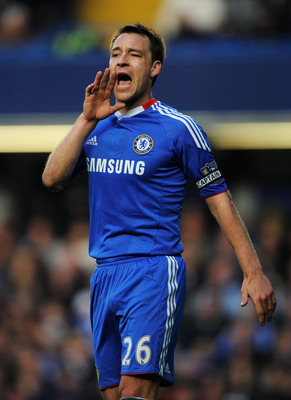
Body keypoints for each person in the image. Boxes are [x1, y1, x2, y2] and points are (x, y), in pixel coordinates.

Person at [42, 23, 276, 400]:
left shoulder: (177, 128)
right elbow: (52, 178)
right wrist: (86, 119)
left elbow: (219, 200)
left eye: (134, 55)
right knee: (115, 394)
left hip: (152, 271)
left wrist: (253, 271)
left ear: (154, 68)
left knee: (136, 392)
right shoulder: (97, 126)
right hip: (104, 275)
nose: (122, 61)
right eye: (116, 53)